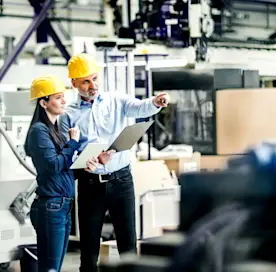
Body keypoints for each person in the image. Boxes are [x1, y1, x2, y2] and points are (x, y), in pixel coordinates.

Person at [59, 53, 170, 272]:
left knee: (128, 245)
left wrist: (155, 102)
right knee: (89, 250)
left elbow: (139, 107)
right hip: (91, 185)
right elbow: (67, 154)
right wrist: (83, 164)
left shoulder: (115, 100)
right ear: (74, 83)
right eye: (86, 81)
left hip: (122, 181)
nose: (93, 85)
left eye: (95, 79)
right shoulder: (68, 116)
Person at [24, 75, 99, 272]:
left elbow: (64, 171)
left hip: (62, 205)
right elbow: (54, 165)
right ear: (44, 102)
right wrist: (73, 142)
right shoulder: (39, 131)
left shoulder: (55, 129)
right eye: (58, 97)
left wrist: (85, 167)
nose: (64, 101)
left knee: (54, 267)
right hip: (51, 206)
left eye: (63, 97)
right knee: (51, 268)